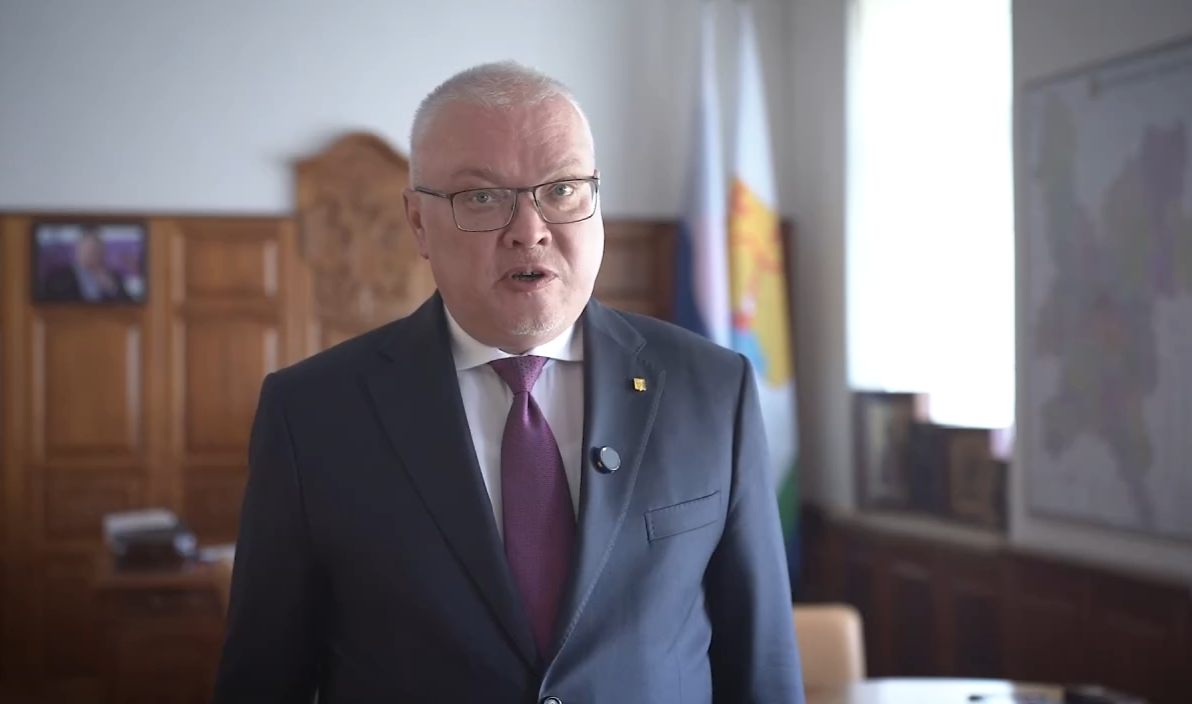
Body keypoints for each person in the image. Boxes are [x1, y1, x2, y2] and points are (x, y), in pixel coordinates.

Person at [212, 60, 804, 704]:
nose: (529, 231)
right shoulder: (311, 415)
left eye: (562, 189)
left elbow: (761, 665)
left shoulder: (713, 390)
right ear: (418, 222)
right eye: (482, 198)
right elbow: (263, 680)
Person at [40, 229, 132, 302]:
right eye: (86, 248)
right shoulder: (58, 277)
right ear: (77, 250)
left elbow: (130, 306)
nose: (90, 253)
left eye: (95, 249)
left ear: (101, 253)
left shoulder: (113, 277)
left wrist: (111, 288)